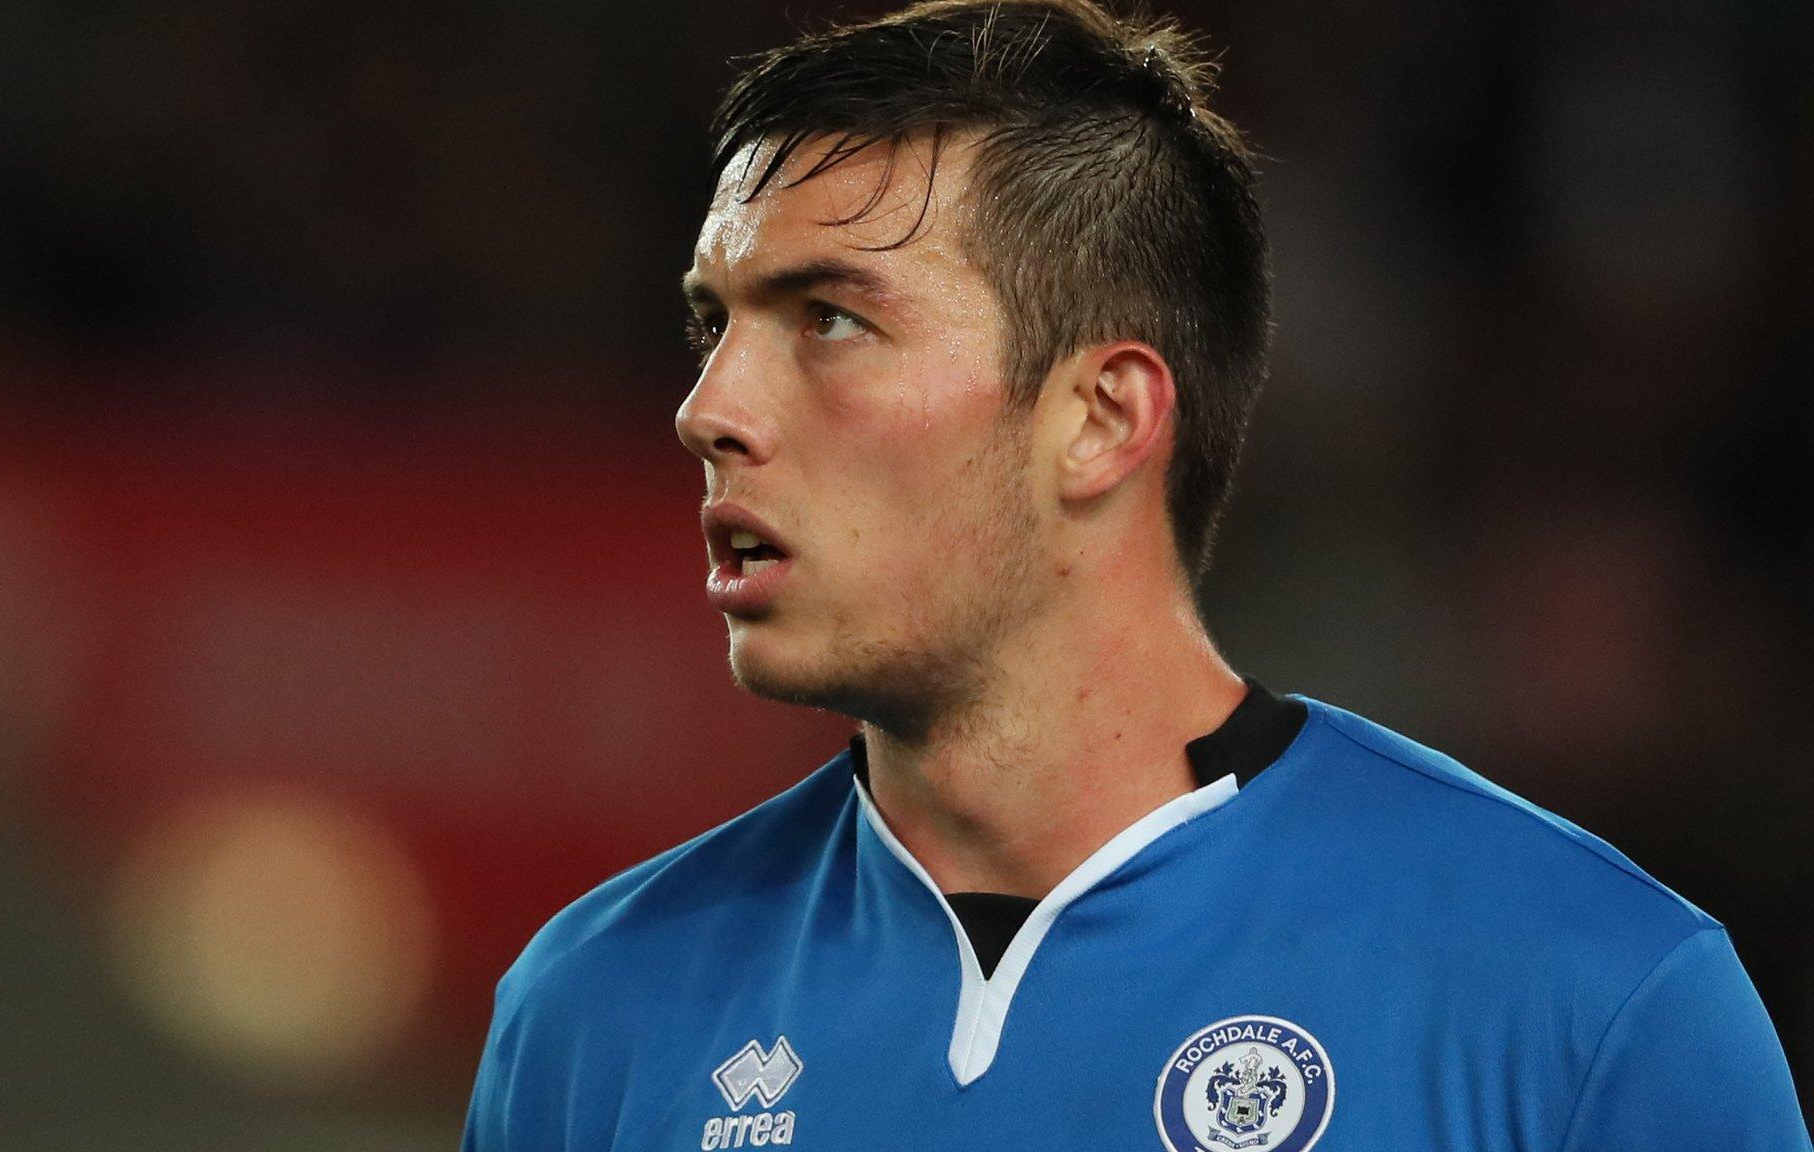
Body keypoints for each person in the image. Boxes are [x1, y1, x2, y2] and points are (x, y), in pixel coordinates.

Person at [461, 1, 1810, 1148]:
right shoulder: (593, 1013)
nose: (709, 405)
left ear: (1103, 417)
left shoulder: (1589, 1000)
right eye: (714, 324)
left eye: (829, 320)